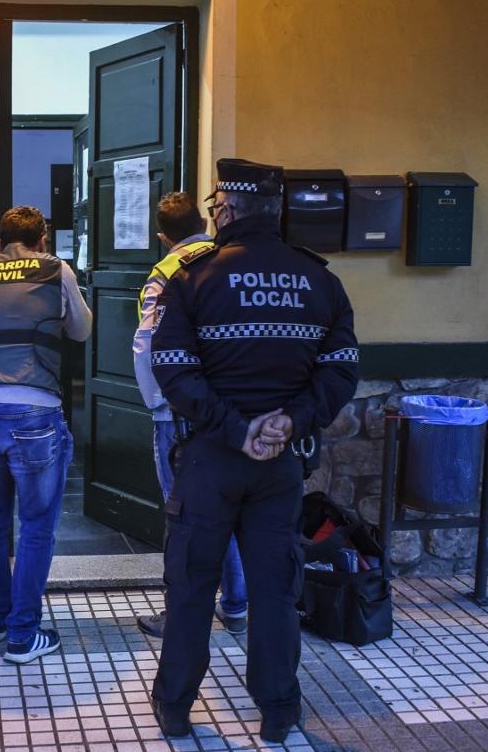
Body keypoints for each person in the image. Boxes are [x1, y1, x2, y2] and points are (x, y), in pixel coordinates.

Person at [148, 159, 359, 742]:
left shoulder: (192, 277)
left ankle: (175, 708)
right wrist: (288, 422)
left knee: (191, 586)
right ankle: (277, 712)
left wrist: (235, 429)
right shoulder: (319, 279)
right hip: (281, 467)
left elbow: (172, 370)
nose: (214, 212)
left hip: (212, 460)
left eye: (216, 204)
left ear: (230, 209)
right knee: (275, 591)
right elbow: (342, 372)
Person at [0, 205, 93, 664]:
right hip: (33, 406)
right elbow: (82, 330)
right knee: (36, 525)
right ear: (42, 240)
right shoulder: (56, 269)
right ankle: (23, 634)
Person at [132, 192, 248, 639]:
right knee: (232, 508)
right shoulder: (230, 259)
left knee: (183, 518)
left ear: (163, 237)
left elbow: (148, 342)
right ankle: (236, 603)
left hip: (179, 413)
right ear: (204, 221)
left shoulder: (166, 272)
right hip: (228, 409)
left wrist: (158, 405)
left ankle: (179, 614)